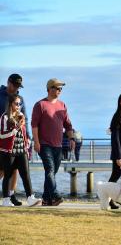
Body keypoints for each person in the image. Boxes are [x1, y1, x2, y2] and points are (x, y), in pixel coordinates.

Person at [31, 78, 75, 206]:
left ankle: (45, 199)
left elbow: (68, 125)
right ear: (49, 89)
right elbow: (34, 125)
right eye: (57, 88)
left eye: (61, 88)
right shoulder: (40, 105)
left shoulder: (62, 105)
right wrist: (36, 142)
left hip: (58, 145)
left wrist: (72, 138)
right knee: (50, 170)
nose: (59, 90)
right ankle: (55, 195)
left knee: (51, 173)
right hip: (44, 144)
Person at [0, 94, 42, 206]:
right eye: (16, 103)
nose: (19, 106)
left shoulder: (21, 116)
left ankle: (30, 198)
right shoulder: (4, 117)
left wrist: (27, 141)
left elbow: (23, 131)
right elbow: (2, 135)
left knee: (26, 174)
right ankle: (6, 200)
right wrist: (16, 128)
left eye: (20, 104)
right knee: (7, 175)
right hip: (8, 151)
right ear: (10, 104)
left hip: (21, 150)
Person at [0, 73, 28, 206]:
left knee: (15, 168)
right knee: (2, 169)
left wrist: (27, 138)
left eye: (18, 86)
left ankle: (11, 195)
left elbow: (24, 119)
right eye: (15, 85)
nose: (16, 88)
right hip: (2, 138)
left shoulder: (20, 98)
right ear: (8, 82)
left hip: (16, 139)